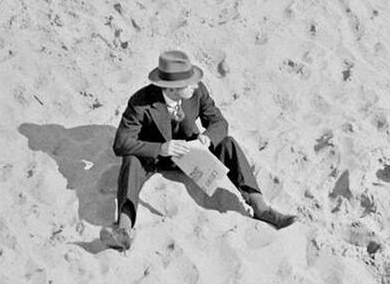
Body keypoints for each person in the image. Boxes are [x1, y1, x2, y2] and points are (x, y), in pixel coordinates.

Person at [104, 50, 297, 252]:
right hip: (154, 158)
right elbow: (121, 143)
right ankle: (124, 228)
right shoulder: (140, 101)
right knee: (131, 161)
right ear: (172, 89)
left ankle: (260, 207)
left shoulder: (197, 91)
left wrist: (207, 138)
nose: (195, 85)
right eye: (189, 83)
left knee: (228, 143)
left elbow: (219, 122)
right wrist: (160, 148)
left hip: (191, 152)